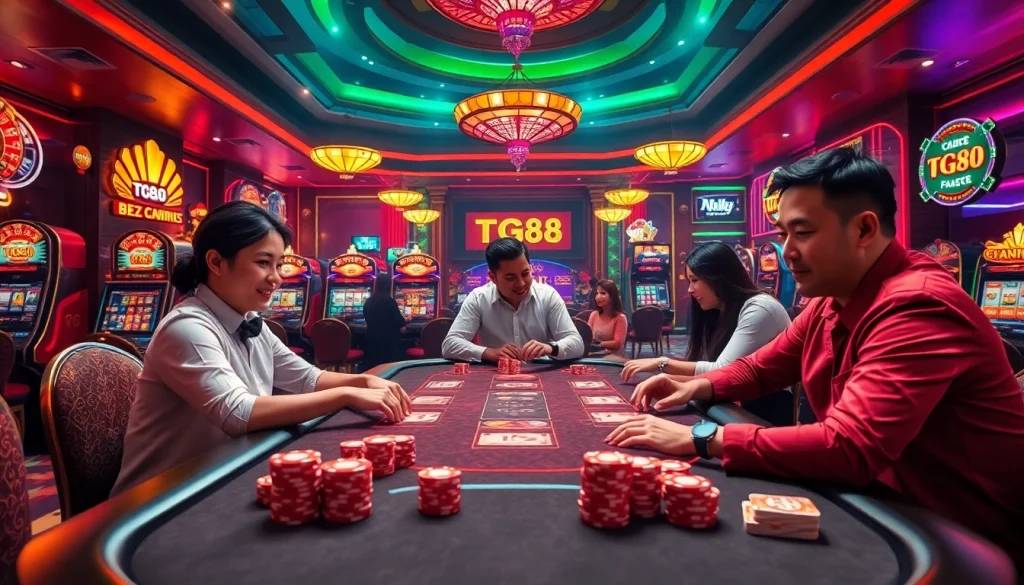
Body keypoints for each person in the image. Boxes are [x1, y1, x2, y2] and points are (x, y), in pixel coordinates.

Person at [606, 147, 1024, 565]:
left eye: (802, 233)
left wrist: (702, 437)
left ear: (863, 229)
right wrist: (694, 385)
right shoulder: (832, 300)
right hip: (889, 507)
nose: (786, 251)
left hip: (966, 540)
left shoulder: (917, 304)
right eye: (782, 233)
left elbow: (850, 446)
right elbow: (760, 367)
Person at [112, 202, 411, 495]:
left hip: (222, 473)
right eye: (263, 263)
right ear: (216, 262)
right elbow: (238, 412)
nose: (276, 278)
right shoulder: (186, 327)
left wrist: (365, 380)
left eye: (278, 265)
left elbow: (308, 379)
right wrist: (346, 394)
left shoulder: (249, 320)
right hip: (159, 499)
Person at [619, 241, 792, 423]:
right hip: (739, 406)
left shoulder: (760, 307)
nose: (689, 289)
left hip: (767, 415)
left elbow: (722, 371)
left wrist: (663, 366)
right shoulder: (724, 312)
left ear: (718, 277)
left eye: (695, 280)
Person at [442, 237, 584, 363]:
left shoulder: (548, 296)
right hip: (494, 378)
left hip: (541, 377)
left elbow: (577, 344)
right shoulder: (478, 299)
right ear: (492, 277)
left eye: (525, 273)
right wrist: (490, 353)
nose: (521, 283)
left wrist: (549, 348)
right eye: (511, 278)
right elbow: (450, 344)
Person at [360, 273, 406, 371]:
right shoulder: (389, 302)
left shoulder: (369, 301)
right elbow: (400, 321)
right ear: (389, 286)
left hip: (371, 343)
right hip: (389, 345)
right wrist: (409, 318)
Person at [587, 279, 628, 358]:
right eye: (597, 293)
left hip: (612, 358)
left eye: (603, 293)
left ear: (612, 296)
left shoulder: (620, 318)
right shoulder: (594, 315)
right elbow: (587, 336)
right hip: (594, 355)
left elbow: (617, 343)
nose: (598, 297)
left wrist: (597, 344)